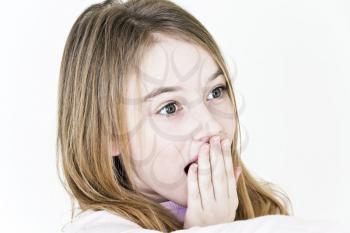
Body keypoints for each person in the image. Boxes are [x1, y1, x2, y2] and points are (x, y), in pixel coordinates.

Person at [57, 0, 296, 232]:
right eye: (169, 107)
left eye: (215, 92)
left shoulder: (266, 213)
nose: (212, 126)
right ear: (107, 136)